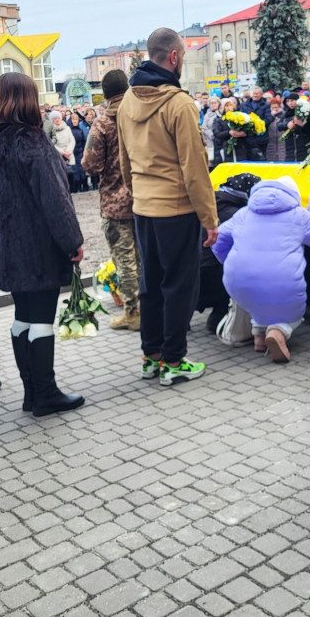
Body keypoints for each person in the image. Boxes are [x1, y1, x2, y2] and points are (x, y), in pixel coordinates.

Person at [0, 73, 85, 416]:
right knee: (40, 320)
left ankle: (31, 393)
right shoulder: (30, 139)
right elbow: (54, 198)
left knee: (22, 316)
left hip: (6, 246)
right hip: (36, 246)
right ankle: (46, 394)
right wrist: (73, 241)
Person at [118, 28, 219, 386]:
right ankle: (174, 361)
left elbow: (124, 160)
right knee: (179, 285)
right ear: (174, 57)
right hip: (176, 209)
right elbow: (195, 170)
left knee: (151, 283)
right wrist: (210, 218)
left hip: (145, 206)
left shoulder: (128, 100)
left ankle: (152, 355)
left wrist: (137, 194)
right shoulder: (179, 103)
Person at [212, 177, 310, 362]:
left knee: (257, 302)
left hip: (237, 282)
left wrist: (231, 263)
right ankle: (279, 332)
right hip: (282, 283)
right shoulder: (298, 214)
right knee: (290, 310)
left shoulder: (243, 213)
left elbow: (218, 240)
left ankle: (259, 338)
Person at [81, 70, 140, 331]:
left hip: (116, 203)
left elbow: (90, 165)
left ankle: (134, 312)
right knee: (146, 257)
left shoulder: (103, 123)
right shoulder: (141, 115)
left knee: (125, 259)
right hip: (147, 198)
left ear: (105, 94)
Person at [197, 172, 261, 332]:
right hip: (211, 272)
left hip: (191, 266)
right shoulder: (235, 214)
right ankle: (218, 317)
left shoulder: (209, 204)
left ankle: (182, 323)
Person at [276, 90, 310, 163]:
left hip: (303, 146)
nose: (290, 103)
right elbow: (279, 125)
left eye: (292, 100)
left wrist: (300, 125)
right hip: (290, 148)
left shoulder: (305, 113)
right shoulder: (286, 114)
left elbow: (309, 128)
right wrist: (287, 125)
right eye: (288, 101)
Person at [66, 111, 88, 193]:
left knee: (81, 169)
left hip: (80, 151)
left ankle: (83, 185)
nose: (75, 121)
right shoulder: (68, 129)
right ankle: (75, 187)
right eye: (73, 119)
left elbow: (83, 140)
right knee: (74, 170)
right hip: (72, 152)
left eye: (76, 119)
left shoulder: (80, 129)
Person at [201, 96, 222, 166]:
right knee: (211, 160)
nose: (213, 105)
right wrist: (210, 134)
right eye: (211, 103)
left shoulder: (221, 113)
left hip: (220, 139)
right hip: (210, 140)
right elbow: (204, 128)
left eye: (215, 103)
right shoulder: (207, 115)